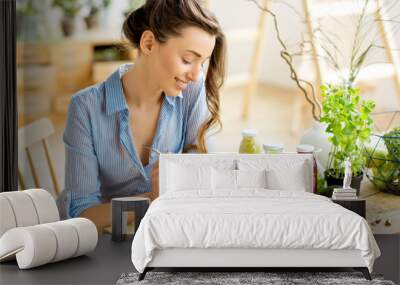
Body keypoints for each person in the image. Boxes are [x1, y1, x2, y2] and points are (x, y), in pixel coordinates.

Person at [57, 0, 226, 231]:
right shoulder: (86, 108)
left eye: (202, 63)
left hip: (165, 231)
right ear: (148, 43)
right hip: (111, 242)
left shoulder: (191, 92)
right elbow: (81, 215)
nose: (196, 75)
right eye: (188, 60)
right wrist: (151, 198)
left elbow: (207, 161)